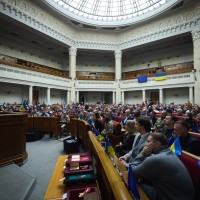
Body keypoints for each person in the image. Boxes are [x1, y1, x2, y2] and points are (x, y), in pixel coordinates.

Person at [130, 132, 195, 200]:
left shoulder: (157, 159)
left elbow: (131, 172)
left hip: (170, 197)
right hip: (178, 194)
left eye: (148, 141)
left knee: (132, 184)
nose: (145, 144)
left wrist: (142, 153)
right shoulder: (168, 152)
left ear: (157, 144)